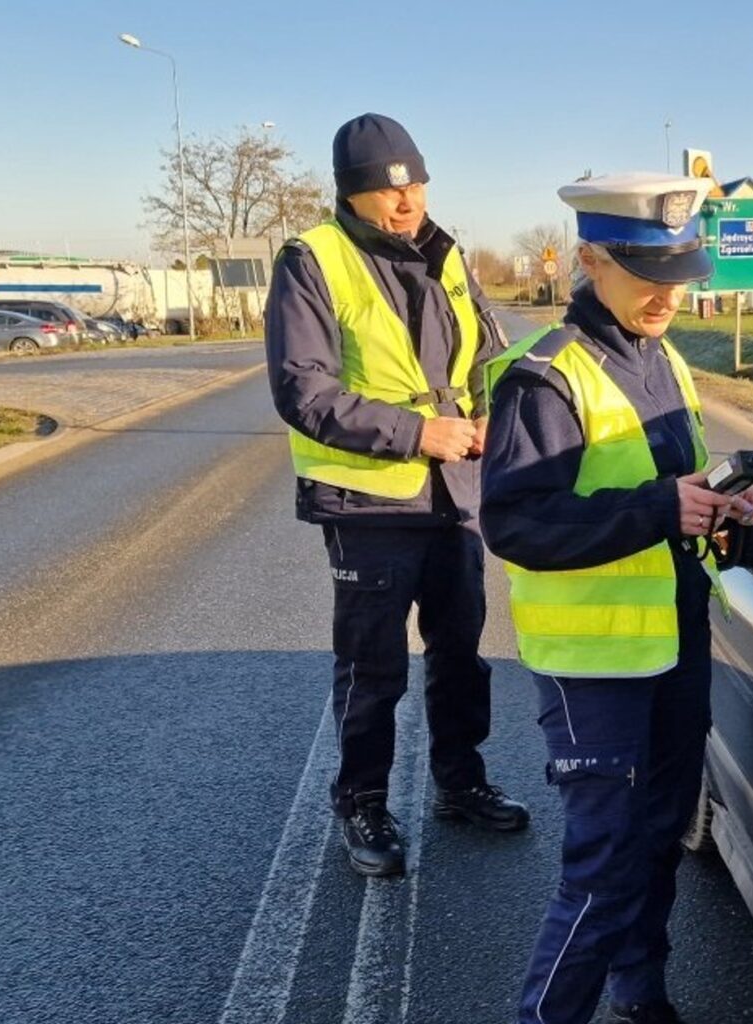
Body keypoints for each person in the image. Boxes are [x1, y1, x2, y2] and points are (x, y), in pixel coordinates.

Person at [479, 172, 753, 1024]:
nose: (668, 294)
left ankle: (641, 995)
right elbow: (517, 523)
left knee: (660, 840)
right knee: (601, 871)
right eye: (647, 273)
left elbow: (664, 484)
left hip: (672, 642)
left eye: (679, 274)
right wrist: (659, 507)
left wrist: (716, 499)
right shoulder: (546, 378)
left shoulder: (663, 356)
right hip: (594, 664)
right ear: (591, 259)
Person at [266, 112, 528, 879]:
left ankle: (460, 782)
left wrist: (496, 406)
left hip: (455, 495)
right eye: (389, 189)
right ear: (350, 194)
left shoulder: (448, 255)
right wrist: (421, 434)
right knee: (373, 666)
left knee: (460, 652)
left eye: (415, 182)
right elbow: (302, 389)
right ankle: (362, 802)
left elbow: (487, 352)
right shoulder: (313, 260)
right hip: (369, 505)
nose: (407, 199)